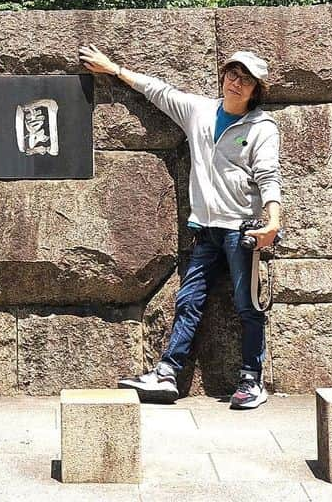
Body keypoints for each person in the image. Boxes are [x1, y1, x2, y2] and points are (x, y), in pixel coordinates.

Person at [79, 44, 281, 410]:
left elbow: (268, 175)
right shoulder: (199, 111)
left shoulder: (261, 127)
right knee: (188, 300)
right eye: (232, 74)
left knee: (246, 304)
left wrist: (273, 221)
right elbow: (159, 91)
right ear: (223, 75)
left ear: (256, 89)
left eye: (246, 79)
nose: (236, 83)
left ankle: (251, 379)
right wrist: (113, 69)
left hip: (241, 232)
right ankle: (167, 373)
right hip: (205, 230)